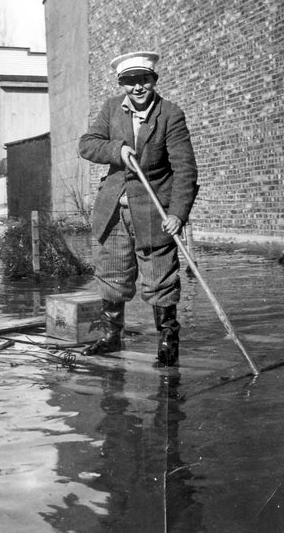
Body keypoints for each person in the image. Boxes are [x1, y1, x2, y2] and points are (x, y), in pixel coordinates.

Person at [78, 50, 198, 365]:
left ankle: (168, 340)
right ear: (122, 84)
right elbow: (86, 144)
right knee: (112, 274)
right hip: (113, 212)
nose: (137, 87)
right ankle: (109, 336)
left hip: (153, 209)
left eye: (143, 79)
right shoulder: (110, 110)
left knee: (160, 277)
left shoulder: (170, 114)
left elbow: (185, 170)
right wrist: (117, 150)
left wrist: (177, 214)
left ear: (153, 80)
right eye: (129, 82)